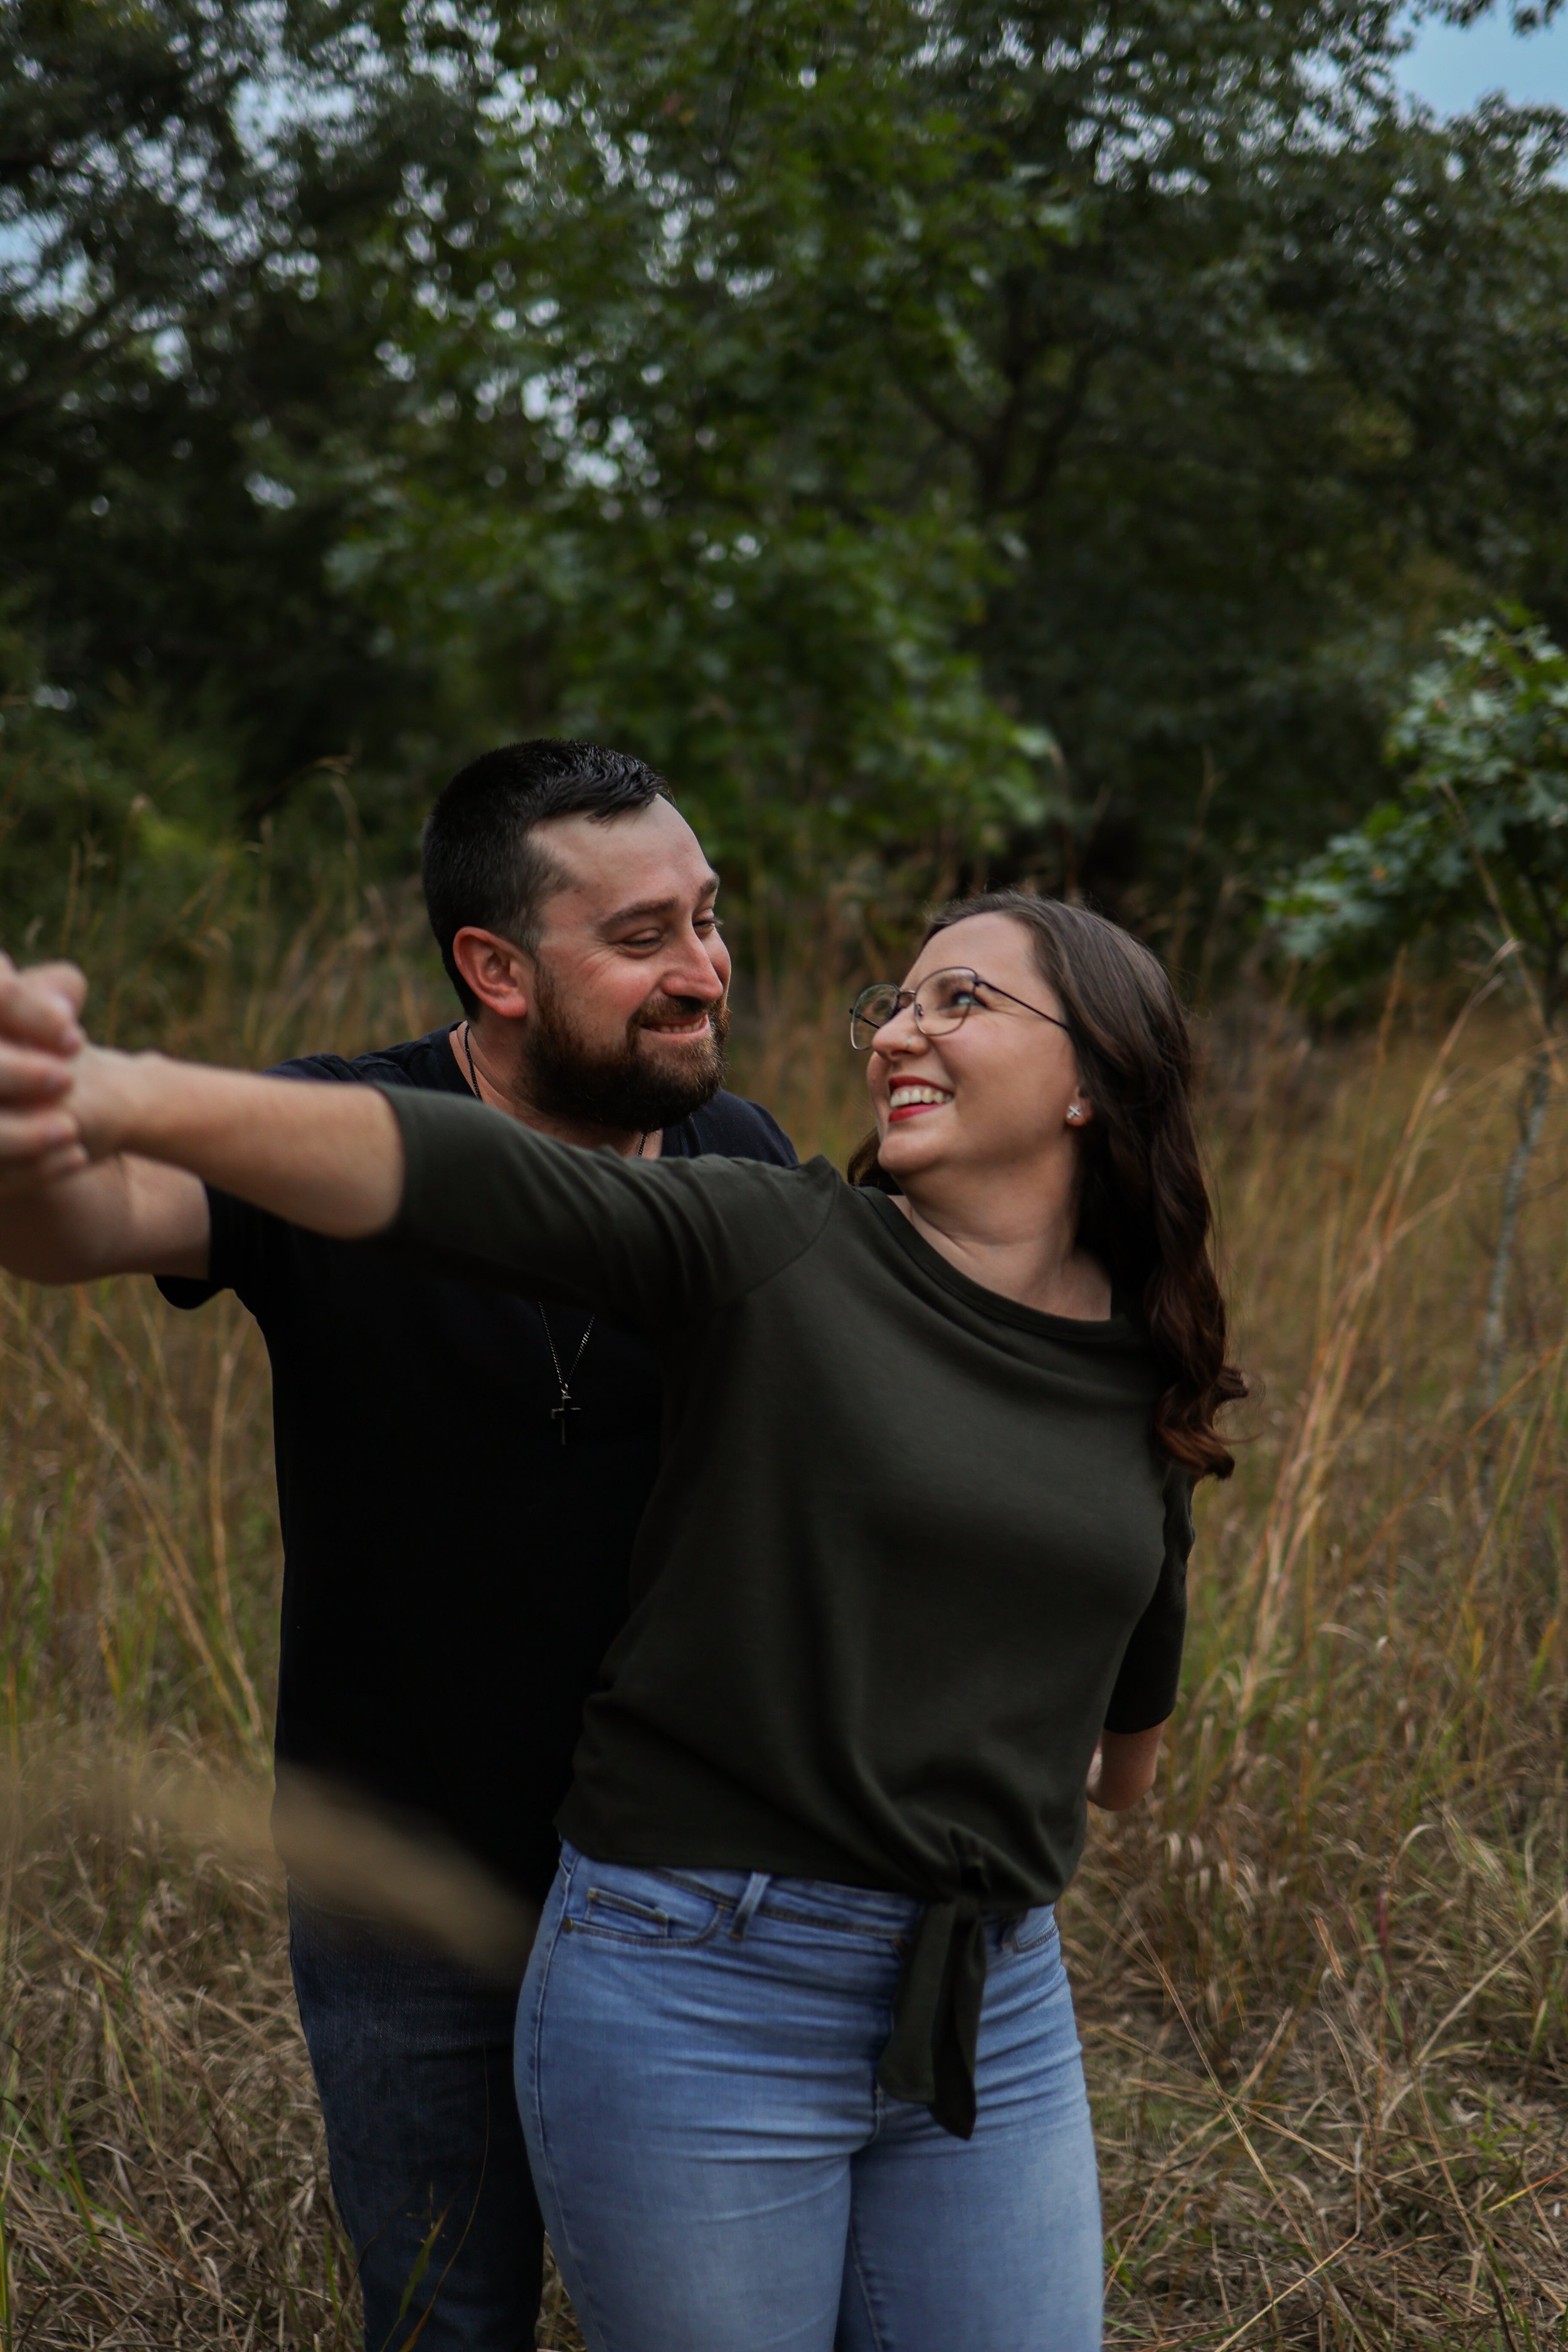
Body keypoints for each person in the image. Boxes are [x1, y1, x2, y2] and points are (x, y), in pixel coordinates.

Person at [18, 887, 1242, 2352]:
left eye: (960, 1001)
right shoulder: (780, 1244)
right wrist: (118, 1089)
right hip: (698, 1984)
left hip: (987, 2000)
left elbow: (1123, 1757)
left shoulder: (1141, 1358)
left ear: (1092, 1084)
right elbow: (469, 1175)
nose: (899, 1033)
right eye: (896, 1003)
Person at [0, 739, 795, 2352]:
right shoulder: (333, 1132)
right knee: (443, 2320)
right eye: (642, 938)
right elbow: (87, 1226)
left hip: (685, 1888)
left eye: (708, 920)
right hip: (402, 1884)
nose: (703, 970)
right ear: (492, 969)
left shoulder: (745, 1164)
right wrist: (30, 1124)